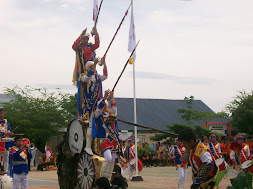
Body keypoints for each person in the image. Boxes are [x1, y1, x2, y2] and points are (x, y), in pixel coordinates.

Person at [93, 90, 125, 180]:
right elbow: (98, 109)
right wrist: (105, 97)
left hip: (113, 138)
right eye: (104, 105)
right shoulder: (97, 115)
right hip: (104, 139)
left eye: (106, 104)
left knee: (113, 159)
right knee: (108, 157)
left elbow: (114, 109)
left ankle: (108, 178)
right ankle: (103, 177)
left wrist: (112, 96)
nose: (105, 106)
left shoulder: (111, 114)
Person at [0, 108, 14, 174]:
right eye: (0, 113)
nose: (2, 115)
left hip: (5, 141)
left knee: (6, 155)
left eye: (3, 113)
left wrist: (10, 133)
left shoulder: (6, 122)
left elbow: (8, 130)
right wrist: (5, 134)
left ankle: (6, 170)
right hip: (0, 141)